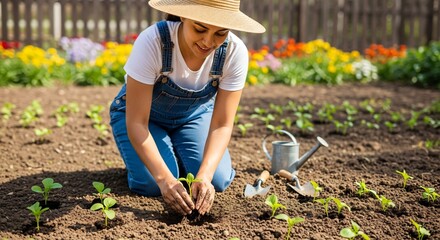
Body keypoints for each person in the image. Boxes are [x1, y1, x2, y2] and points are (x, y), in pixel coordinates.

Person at [109, 0, 265, 216]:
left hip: (192, 117)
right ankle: (162, 163)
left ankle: (177, 159)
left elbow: (221, 124)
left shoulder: (234, 52)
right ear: (183, 16)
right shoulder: (153, 42)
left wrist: (205, 176)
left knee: (218, 180)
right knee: (152, 185)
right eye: (200, 28)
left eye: (220, 33)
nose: (208, 41)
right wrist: (165, 180)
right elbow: (137, 122)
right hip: (143, 120)